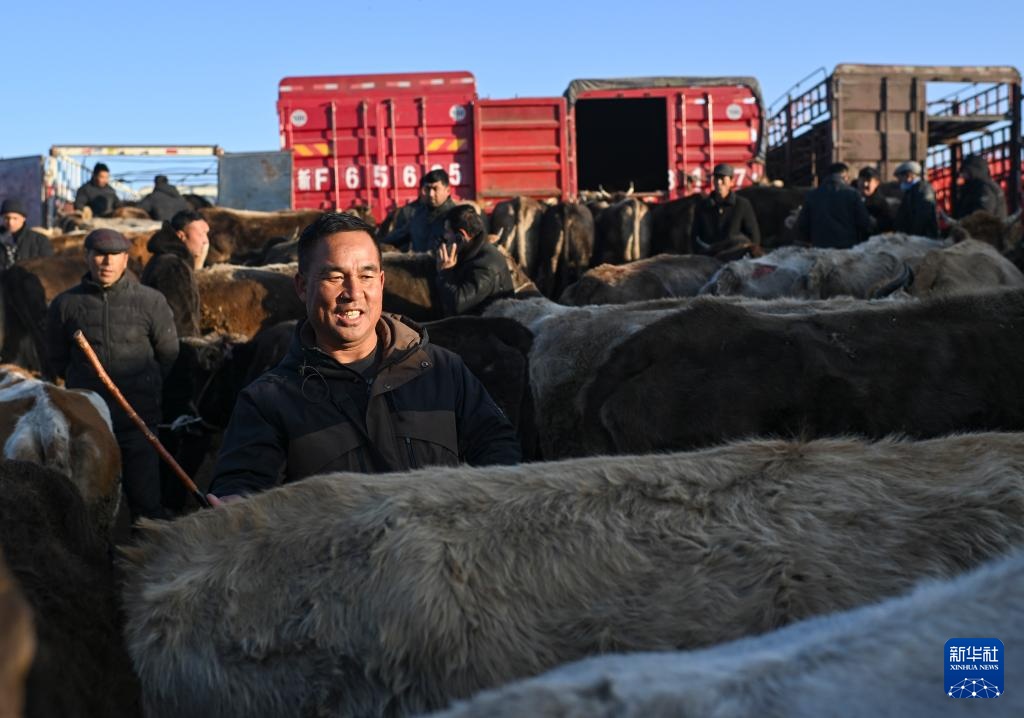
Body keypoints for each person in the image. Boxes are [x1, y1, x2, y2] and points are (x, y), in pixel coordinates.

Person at [208, 212, 520, 502]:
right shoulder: (269, 401)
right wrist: (234, 507)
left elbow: (497, 445)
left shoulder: (440, 369)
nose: (353, 292)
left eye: (366, 275)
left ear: (381, 283)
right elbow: (241, 490)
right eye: (334, 277)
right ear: (302, 287)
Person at [46, 229, 179, 520]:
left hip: (137, 418)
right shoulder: (66, 304)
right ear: (87, 257)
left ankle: (147, 556)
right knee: (88, 504)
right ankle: (93, 561)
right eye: (99, 254)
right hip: (88, 423)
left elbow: (168, 353)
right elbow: (55, 358)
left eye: (114, 255)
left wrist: (147, 387)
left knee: (145, 502)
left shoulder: (150, 302)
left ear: (126, 259)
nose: (106, 262)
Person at [435, 204, 515, 316]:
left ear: (461, 235)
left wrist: (445, 273)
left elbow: (457, 305)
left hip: (492, 328)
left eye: (448, 232)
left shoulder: (485, 265)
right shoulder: (468, 253)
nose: (445, 237)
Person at [141, 210, 209, 338]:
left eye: (206, 234)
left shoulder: (165, 259)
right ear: (181, 236)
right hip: (174, 350)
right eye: (201, 234)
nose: (205, 241)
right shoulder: (172, 267)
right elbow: (180, 322)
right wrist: (190, 350)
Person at [795, 163, 873, 249]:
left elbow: (803, 225)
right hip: (847, 250)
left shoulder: (812, 195)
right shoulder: (853, 194)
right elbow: (864, 222)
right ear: (845, 177)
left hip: (820, 249)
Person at [692, 164, 761, 257]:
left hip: (735, 258)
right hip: (708, 257)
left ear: (731, 182)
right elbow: (694, 236)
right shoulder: (702, 206)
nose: (719, 182)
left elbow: (754, 237)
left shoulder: (742, 204)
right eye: (716, 178)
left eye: (723, 179)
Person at [381, 169, 456, 252]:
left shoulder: (456, 216)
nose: (431, 194)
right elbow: (397, 237)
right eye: (428, 188)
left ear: (448, 190)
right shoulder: (418, 215)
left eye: (435, 189)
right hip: (419, 264)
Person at [0, 198, 53, 271]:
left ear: (23, 219)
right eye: (7, 218)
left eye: (15, 218)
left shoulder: (39, 241)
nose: (10, 222)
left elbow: (48, 267)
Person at [893, 161, 938, 238]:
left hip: (923, 238)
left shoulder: (923, 190)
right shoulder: (911, 191)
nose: (899, 182)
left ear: (909, 176)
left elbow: (922, 216)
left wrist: (913, 236)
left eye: (900, 178)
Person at [954, 154, 1007, 220]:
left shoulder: (983, 188)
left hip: (987, 229)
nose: (962, 175)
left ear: (973, 171)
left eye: (966, 171)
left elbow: (983, 216)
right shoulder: (975, 187)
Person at [857, 167, 896, 233]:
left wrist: (875, 223)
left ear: (877, 183)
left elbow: (888, 225)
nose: (865, 184)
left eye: (868, 181)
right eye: (862, 180)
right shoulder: (851, 198)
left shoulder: (881, 204)